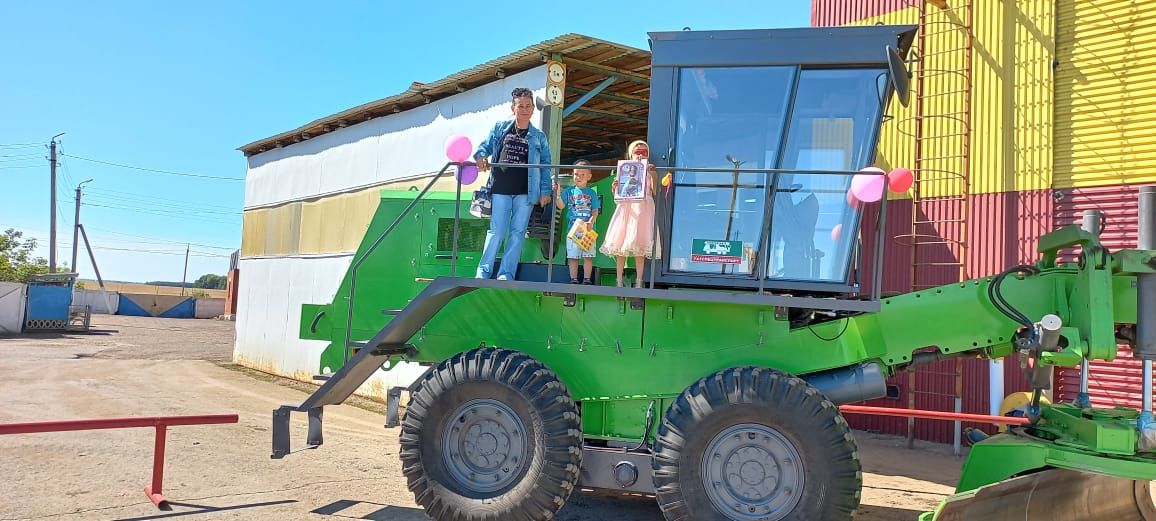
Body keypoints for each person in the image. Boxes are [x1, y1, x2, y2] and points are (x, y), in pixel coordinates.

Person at [473, 87, 553, 280]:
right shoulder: (500, 128)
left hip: (526, 192)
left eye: (528, 106)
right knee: (497, 231)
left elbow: (545, 164)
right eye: (520, 106)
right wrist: (481, 156)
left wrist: (545, 190)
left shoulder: (539, 136)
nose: (524, 109)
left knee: (517, 233)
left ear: (533, 109)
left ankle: (506, 273)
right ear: (513, 107)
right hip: (500, 188)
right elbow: (483, 147)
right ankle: (483, 271)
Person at [600, 140, 661, 287]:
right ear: (630, 154)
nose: (640, 155)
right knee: (622, 244)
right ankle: (619, 279)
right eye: (637, 152)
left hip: (644, 209)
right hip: (627, 208)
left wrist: (650, 173)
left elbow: (654, 191)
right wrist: (615, 187)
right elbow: (618, 196)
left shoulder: (651, 170)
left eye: (644, 152)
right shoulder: (624, 170)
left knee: (640, 245)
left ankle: (639, 280)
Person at [553, 159, 601, 284]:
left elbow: (595, 210)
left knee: (588, 256)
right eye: (576, 174)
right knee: (573, 256)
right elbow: (561, 206)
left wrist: (591, 221)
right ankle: (573, 279)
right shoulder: (569, 191)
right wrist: (557, 194)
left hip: (588, 229)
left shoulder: (592, 193)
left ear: (589, 176)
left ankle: (586, 279)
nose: (578, 177)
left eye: (582, 175)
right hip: (573, 228)